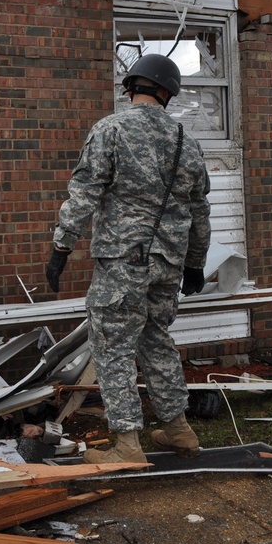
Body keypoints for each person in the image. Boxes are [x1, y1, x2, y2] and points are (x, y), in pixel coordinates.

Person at [44, 53, 212, 463]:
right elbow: (200, 210)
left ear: (132, 87)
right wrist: (195, 262)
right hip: (168, 264)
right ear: (167, 92)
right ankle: (179, 430)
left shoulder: (110, 129)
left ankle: (127, 446)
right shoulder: (185, 141)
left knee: (114, 347)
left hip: (122, 261)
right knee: (157, 341)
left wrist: (61, 247)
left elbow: (85, 193)